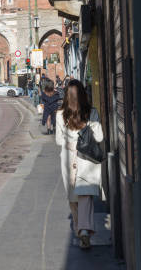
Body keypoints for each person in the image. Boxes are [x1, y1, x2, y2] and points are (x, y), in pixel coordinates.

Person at [55, 79, 104, 249]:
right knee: (85, 195)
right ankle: (84, 230)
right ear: (83, 94)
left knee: (73, 198)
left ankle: (79, 228)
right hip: (87, 159)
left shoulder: (60, 115)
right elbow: (99, 138)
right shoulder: (92, 113)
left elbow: (59, 140)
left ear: (67, 96)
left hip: (68, 158)